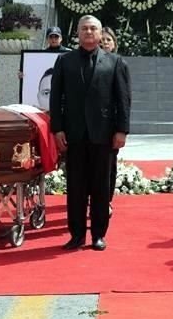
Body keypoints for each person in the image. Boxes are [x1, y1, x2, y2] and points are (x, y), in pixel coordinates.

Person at [51, 15, 131, 252]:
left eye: (93, 28)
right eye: (84, 28)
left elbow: (123, 100)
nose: (88, 32)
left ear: (99, 33)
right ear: (77, 33)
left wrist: (121, 130)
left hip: (103, 134)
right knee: (75, 187)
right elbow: (56, 98)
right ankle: (76, 235)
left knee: (100, 187)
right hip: (74, 134)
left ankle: (98, 234)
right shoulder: (65, 61)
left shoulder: (115, 62)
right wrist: (57, 129)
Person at [99, 27, 129, 213]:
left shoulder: (119, 64)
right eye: (101, 40)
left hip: (110, 125)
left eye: (108, 40)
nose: (104, 43)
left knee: (109, 166)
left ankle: (106, 200)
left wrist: (121, 129)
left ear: (115, 43)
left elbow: (124, 99)